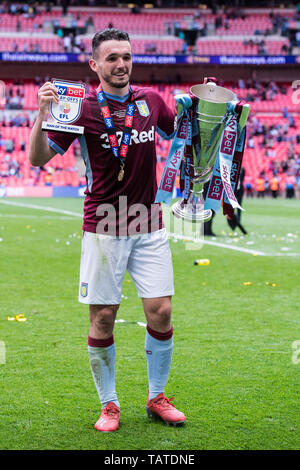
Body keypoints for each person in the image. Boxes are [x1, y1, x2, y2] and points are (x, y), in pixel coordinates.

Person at [28, 28, 186, 433]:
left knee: (162, 311)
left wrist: (208, 112)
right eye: (112, 58)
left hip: (148, 221)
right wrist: (42, 114)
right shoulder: (79, 108)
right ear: (95, 65)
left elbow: (182, 133)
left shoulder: (151, 101)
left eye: (127, 57)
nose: (121, 64)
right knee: (103, 317)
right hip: (104, 224)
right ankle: (109, 405)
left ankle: (156, 396)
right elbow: (36, 158)